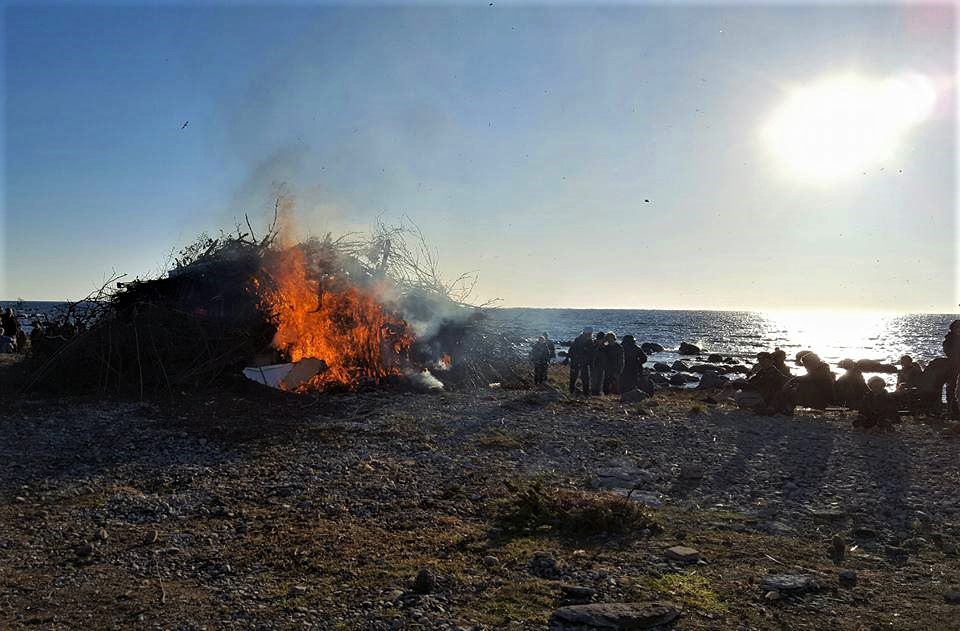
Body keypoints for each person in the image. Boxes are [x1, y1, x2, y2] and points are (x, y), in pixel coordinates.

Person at [568, 327, 595, 395]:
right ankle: (571, 392)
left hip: (584, 363)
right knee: (573, 379)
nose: (588, 335)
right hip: (576, 362)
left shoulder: (590, 342)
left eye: (589, 334)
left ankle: (586, 394)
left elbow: (591, 354)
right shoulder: (578, 341)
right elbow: (571, 351)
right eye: (588, 334)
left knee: (585, 380)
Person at [944, 320, 960, 418]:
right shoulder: (949, 340)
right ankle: (952, 410)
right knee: (952, 388)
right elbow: (949, 353)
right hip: (953, 367)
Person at [590, 331, 607, 395]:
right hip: (595, 365)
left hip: (601, 365)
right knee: (594, 380)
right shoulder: (594, 344)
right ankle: (594, 392)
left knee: (600, 380)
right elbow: (592, 354)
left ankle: (598, 392)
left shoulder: (604, 345)